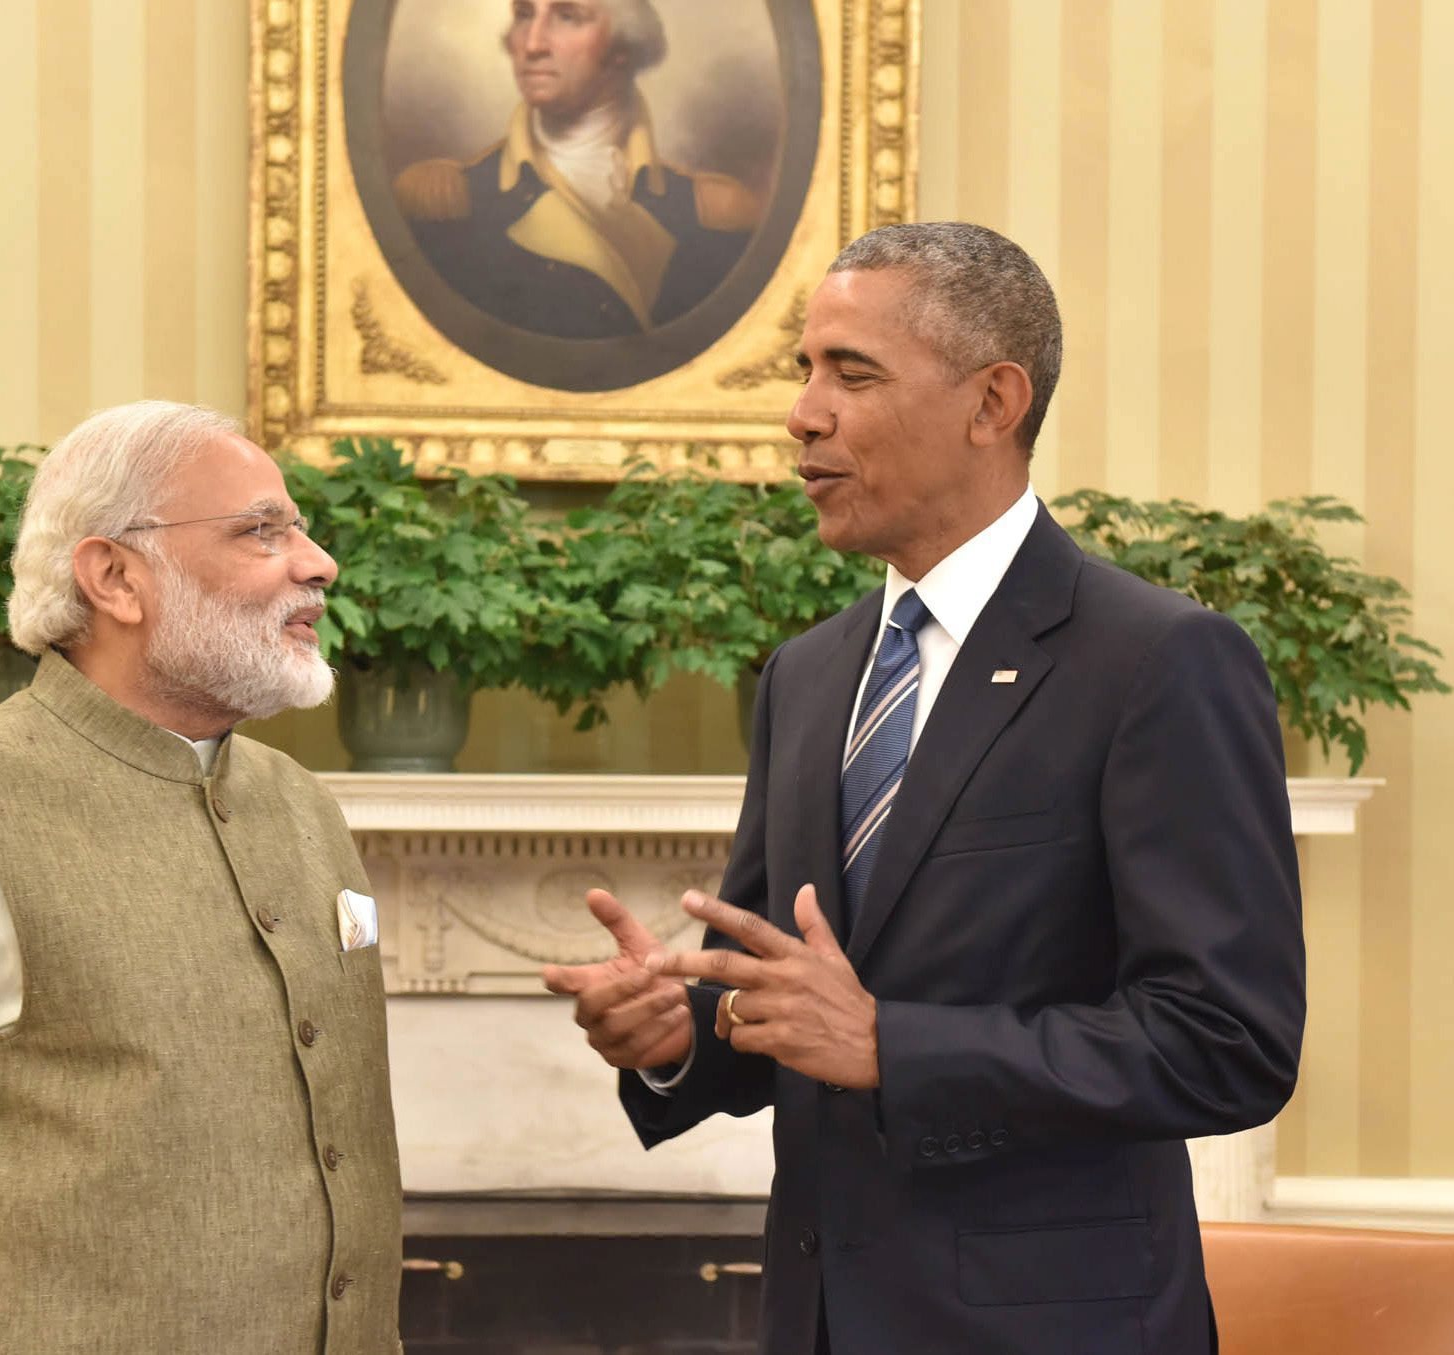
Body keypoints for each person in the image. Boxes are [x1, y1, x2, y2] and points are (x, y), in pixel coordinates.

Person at [544, 223, 1305, 1354]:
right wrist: (678, 1032)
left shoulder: (1158, 661)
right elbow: (789, 998)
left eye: (851, 372)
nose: (804, 412)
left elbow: (1225, 1041)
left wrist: (898, 1046)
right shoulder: (806, 676)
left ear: (994, 402)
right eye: (803, 372)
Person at [0, 401, 403, 1355]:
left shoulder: (304, 805)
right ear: (116, 577)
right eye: (262, 530)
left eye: (297, 526)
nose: (317, 561)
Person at [393, 0, 761, 338]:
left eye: (567, 17)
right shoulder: (448, 203)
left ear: (623, 45)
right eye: (524, 15)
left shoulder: (712, 213)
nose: (533, 44)